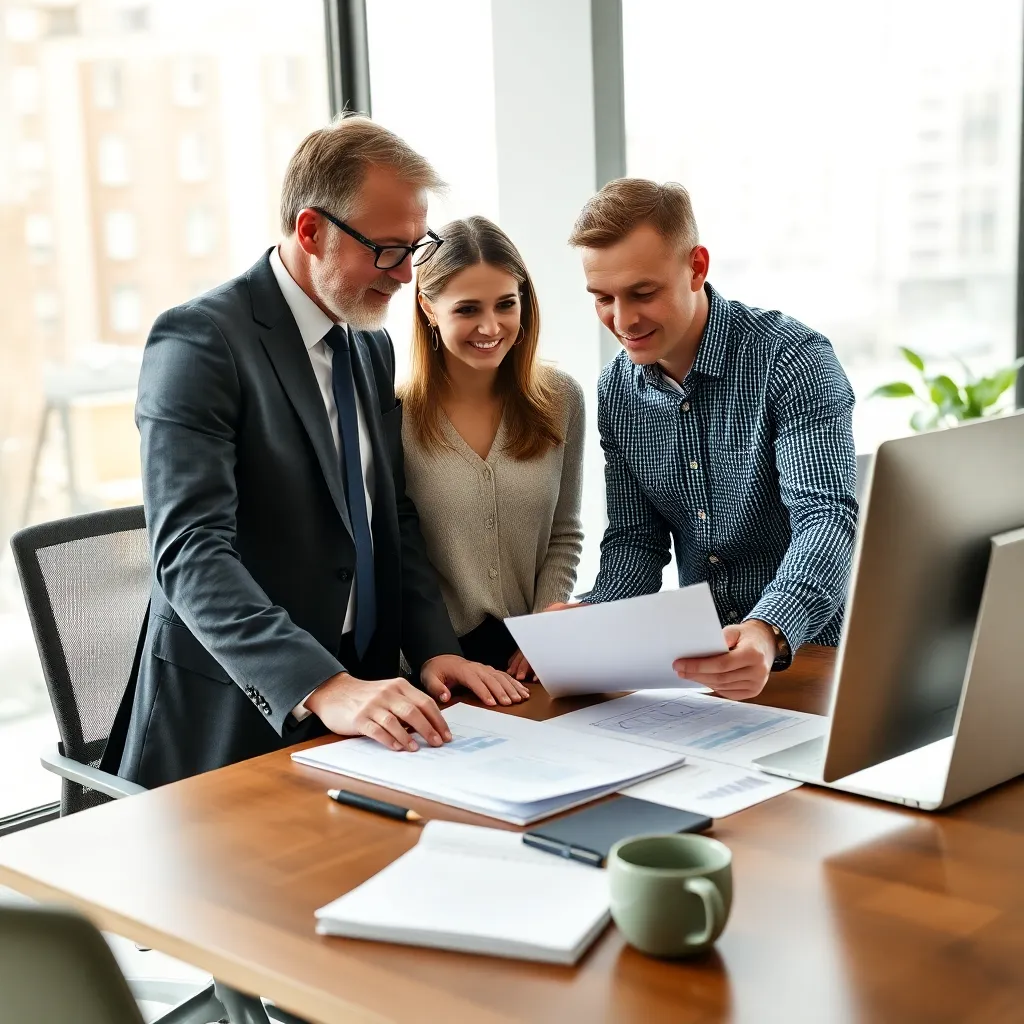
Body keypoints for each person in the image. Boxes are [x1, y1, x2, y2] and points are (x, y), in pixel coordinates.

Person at [105, 116, 529, 790]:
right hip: (237, 716)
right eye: (387, 251)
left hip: (367, 702)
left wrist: (432, 650)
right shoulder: (200, 343)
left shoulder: (364, 339)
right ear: (311, 231)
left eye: (415, 247)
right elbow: (190, 553)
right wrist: (321, 684)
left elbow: (392, 517)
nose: (404, 276)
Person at [566, 178, 857, 700]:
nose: (623, 319)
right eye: (602, 298)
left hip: (815, 661)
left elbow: (826, 517)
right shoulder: (616, 390)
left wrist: (768, 630)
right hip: (697, 681)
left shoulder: (792, 361)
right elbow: (637, 539)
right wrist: (594, 618)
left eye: (643, 293)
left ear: (697, 267)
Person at [400, 216, 585, 679]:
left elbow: (564, 532)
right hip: (432, 667)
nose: (490, 326)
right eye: (467, 309)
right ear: (428, 307)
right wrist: (435, 654)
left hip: (532, 662)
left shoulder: (561, 399)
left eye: (506, 304)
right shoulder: (394, 414)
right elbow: (394, 554)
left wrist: (547, 632)